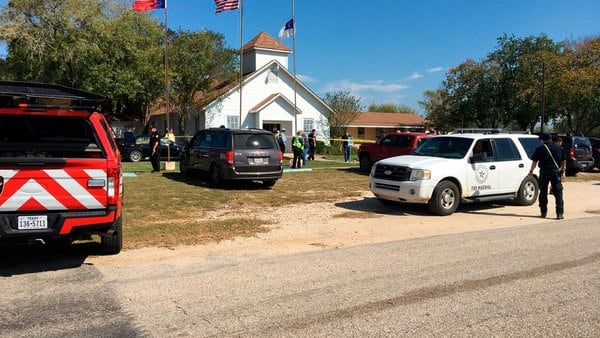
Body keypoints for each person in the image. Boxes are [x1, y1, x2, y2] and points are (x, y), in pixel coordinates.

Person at [529, 133, 565, 219]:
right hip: (555, 172)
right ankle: (559, 213)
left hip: (544, 172)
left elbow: (534, 161)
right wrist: (563, 171)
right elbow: (564, 161)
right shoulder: (559, 147)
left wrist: (531, 171)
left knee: (543, 192)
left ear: (542, 140)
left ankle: (543, 212)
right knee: (558, 192)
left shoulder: (540, 148)